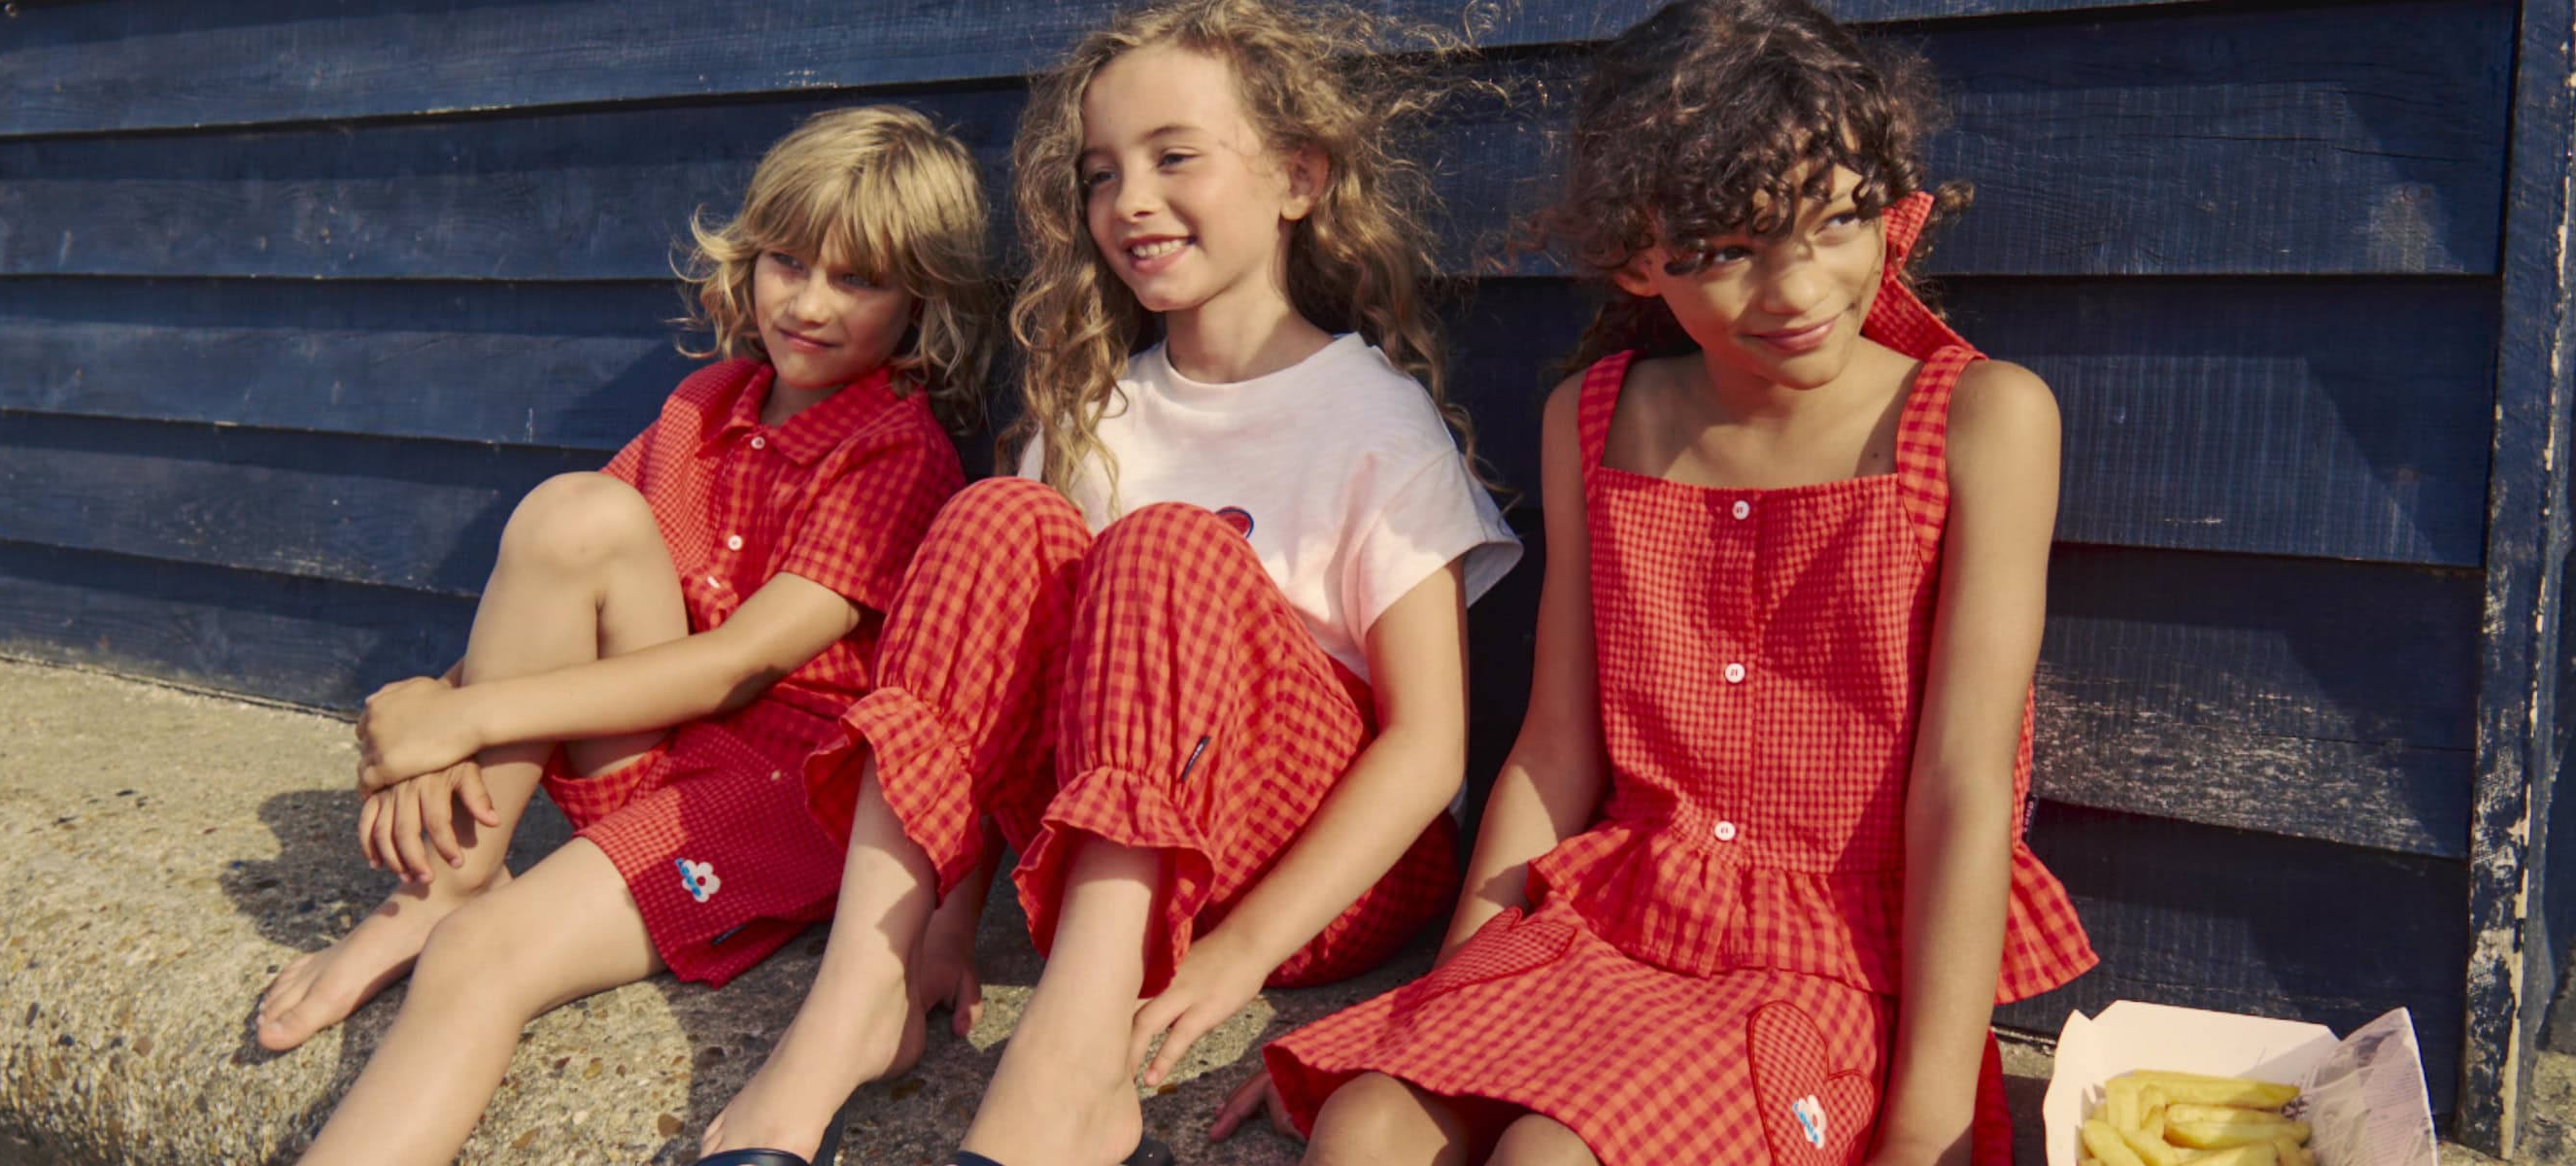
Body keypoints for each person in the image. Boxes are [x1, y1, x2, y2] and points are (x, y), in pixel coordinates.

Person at [1239, 2, 2097, 1162]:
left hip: (1822, 964)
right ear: (1641, 254)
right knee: (1361, 1131)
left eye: (1836, 219)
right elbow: (1553, 752)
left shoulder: (1979, 420)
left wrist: (1930, 1125)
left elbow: (1964, 786)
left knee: (1550, 1154)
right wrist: (1447, 1005)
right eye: (1730, 249)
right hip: (1609, 923)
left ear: (1885, 204)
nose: (1797, 289)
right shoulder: (1596, 419)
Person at [693, 3, 1517, 1164]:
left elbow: (1429, 751)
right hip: (1093, 849)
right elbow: (984, 695)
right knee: (995, 516)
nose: (1129, 199)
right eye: (1100, 173)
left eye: (1174, 156)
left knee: (1166, 544)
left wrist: (1238, 959)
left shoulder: (1373, 421)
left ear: (1297, 176)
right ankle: (855, 999)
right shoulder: (1098, 413)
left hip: (1304, 877)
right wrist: (948, 917)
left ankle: (1073, 1069)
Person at [251, 103, 992, 1166]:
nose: (812, 303)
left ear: (919, 302)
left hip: (781, 798)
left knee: (480, 959)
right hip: (664, 745)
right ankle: (448, 876)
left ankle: (456, 917)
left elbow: (742, 667)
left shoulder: (894, 452)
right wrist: (438, 718)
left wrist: (461, 715)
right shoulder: (706, 403)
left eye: (860, 280)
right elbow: (553, 597)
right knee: (570, 515)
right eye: (789, 261)